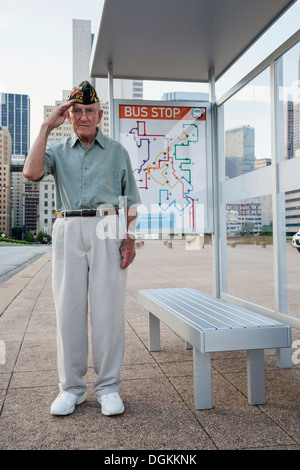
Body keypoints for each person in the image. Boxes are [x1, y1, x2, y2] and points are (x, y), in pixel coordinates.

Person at [23, 81, 141, 416]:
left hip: (108, 227)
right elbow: (31, 171)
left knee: (108, 311)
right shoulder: (57, 151)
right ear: (69, 115)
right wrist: (47, 126)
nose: (84, 117)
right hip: (68, 226)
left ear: (100, 115)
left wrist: (129, 239)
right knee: (68, 311)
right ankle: (71, 389)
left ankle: (108, 387)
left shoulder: (117, 151)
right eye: (77, 111)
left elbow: (129, 200)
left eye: (90, 111)